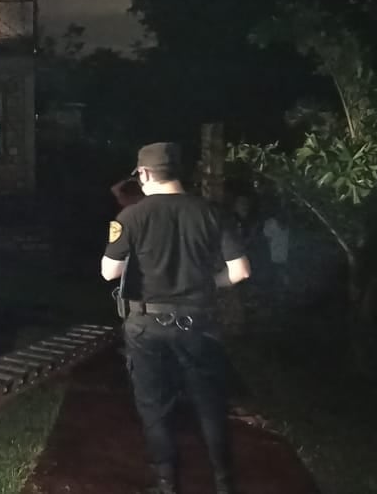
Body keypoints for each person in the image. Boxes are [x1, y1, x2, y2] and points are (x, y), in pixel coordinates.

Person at [101, 142, 251, 494]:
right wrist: (208, 283)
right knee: (211, 405)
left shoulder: (131, 216)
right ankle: (224, 484)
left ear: (146, 173)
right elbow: (240, 272)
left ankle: (168, 486)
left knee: (155, 408)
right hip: (199, 324)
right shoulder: (213, 212)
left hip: (147, 327)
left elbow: (110, 272)